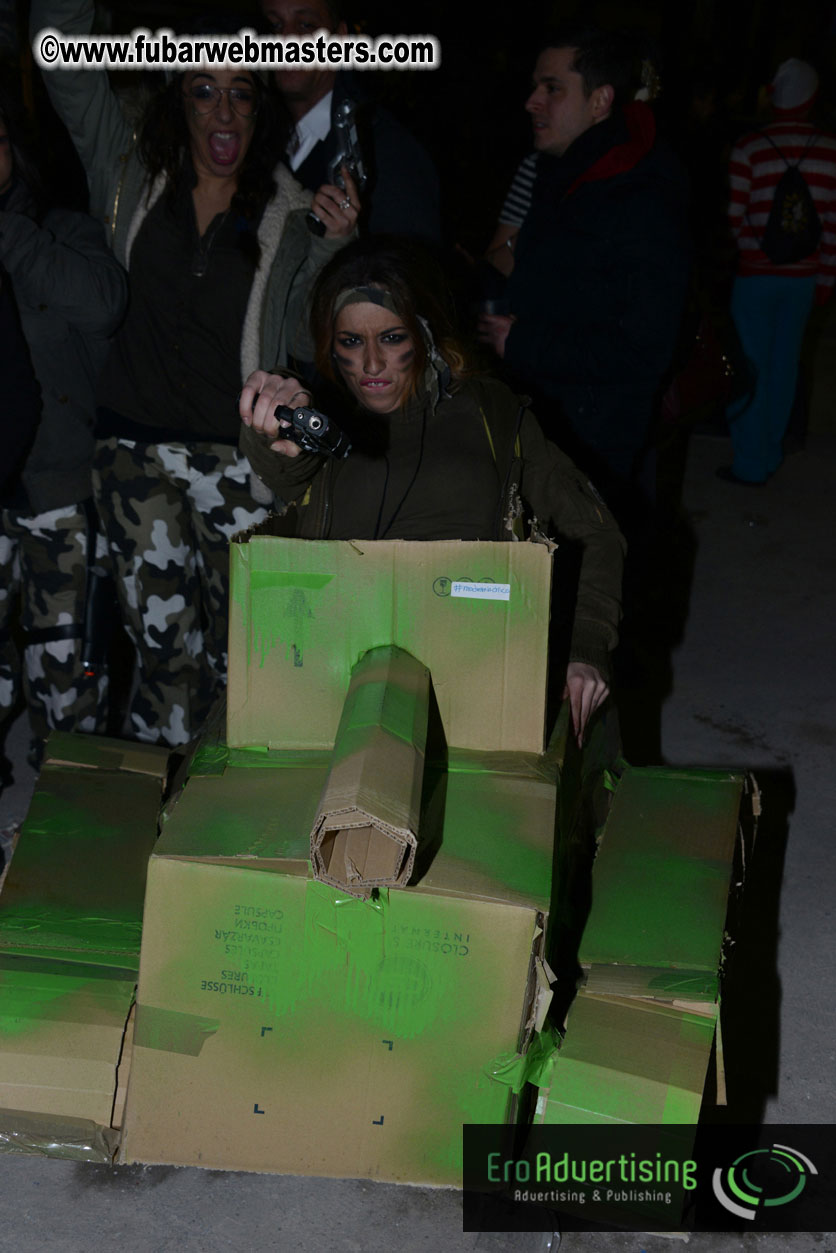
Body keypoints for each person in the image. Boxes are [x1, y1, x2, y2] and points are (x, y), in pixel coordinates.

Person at [31, 0, 359, 747]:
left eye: (242, 91)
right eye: (203, 87)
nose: (224, 108)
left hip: (235, 462)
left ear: (259, 106)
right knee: (163, 653)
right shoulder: (127, 173)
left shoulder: (289, 207)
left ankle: (234, 807)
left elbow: (314, 324)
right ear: (176, 96)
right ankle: (162, 809)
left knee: (249, 653)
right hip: (132, 459)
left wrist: (336, 246)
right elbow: (61, 62)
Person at [238, 238, 625, 745]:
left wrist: (586, 647)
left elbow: (594, 530)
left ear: (424, 334)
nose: (372, 364)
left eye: (392, 337)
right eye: (351, 342)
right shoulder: (324, 420)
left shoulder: (489, 411)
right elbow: (284, 466)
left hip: (474, 666)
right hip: (338, 670)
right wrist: (270, 427)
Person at [477, 25, 691, 529]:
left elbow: (643, 348)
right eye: (535, 86)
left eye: (552, 88)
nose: (532, 101)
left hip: (591, 439)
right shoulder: (569, 173)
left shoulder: (638, 191)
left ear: (600, 101)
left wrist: (523, 343)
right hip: (553, 422)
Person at [0, 93, 127, 784]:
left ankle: (66, 841)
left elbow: (105, 306)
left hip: (58, 489)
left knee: (68, 681)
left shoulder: (61, 230)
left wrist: (6, 234)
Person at [722, 58, 836, 485]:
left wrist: (754, 253)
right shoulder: (830, 151)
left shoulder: (749, 147)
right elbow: (833, 224)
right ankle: (769, 453)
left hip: (755, 276)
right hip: (804, 279)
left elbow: (735, 216)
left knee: (750, 366)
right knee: (784, 365)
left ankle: (749, 462)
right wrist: (825, 278)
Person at [261, 0, 441, 242]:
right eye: (275, 25)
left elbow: (412, 272)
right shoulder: (253, 140)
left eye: (306, 25)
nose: (287, 39)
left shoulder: (385, 154)